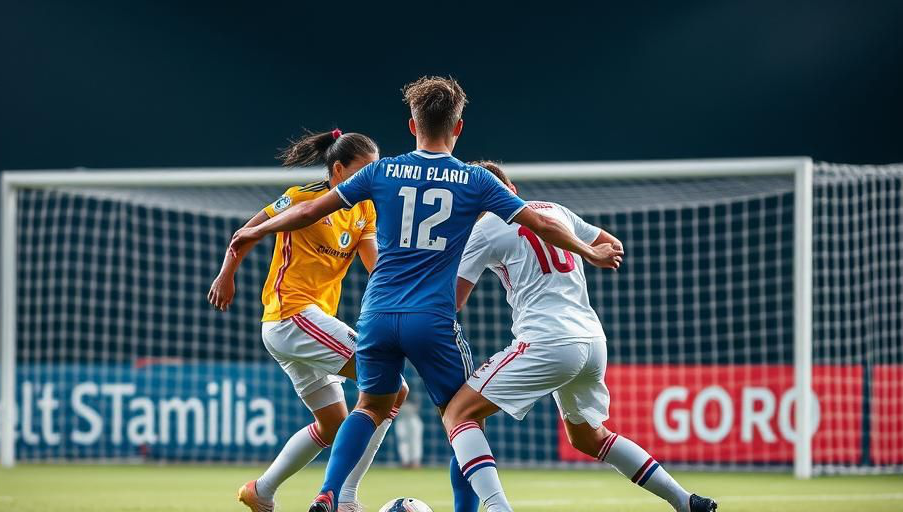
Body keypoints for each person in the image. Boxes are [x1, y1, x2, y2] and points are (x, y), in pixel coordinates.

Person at [226, 76, 623, 512]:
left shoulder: (383, 169)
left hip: (377, 313)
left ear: (412, 125)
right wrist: (588, 251)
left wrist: (254, 230)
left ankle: (331, 493)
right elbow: (541, 224)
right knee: (463, 417)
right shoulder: (474, 179)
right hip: (431, 318)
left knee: (370, 405)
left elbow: (307, 209)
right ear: (459, 128)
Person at [443, 161, 718, 512]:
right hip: (591, 342)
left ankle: (499, 508)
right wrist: (590, 255)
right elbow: (610, 243)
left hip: (547, 342)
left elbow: (454, 302)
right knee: (590, 438)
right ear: (511, 189)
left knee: (459, 414)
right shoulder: (555, 210)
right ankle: (685, 501)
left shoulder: (484, 228)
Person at [209, 128, 408, 512]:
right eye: (363, 170)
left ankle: (261, 491)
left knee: (334, 422)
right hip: (291, 315)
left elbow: (376, 267)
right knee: (393, 389)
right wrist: (226, 274)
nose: (371, 178)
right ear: (338, 168)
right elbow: (246, 233)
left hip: (304, 325)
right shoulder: (302, 198)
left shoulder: (363, 210)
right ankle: (345, 498)